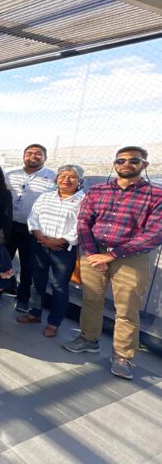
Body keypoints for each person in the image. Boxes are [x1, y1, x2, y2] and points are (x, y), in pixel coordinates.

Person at [63, 146, 162, 380]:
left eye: (134, 160)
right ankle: (88, 339)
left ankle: (123, 356)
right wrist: (91, 253)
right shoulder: (98, 190)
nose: (126, 164)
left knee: (127, 308)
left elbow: (155, 233)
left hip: (131, 258)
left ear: (144, 165)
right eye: (121, 160)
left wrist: (112, 255)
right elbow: (84, 222)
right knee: (91, 300)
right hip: (94, 252)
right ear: (114, 164)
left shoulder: (156, 195)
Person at [17, 165, 85, 338]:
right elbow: (33, 218)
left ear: (79, 181)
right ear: (56, 179)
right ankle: (34, 313)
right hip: (40, 244)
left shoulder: (84, 200)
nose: (66, 180)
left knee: (59, 286)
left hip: (63, 249)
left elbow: (81, 226)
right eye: (62, 176)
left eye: (72, 177)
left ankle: (54, 323)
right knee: (37, 280)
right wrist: (41, 238)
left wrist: (58, 241)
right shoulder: (45, 196)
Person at [5, 144, 57, 313]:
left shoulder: (53, 177)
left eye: (38, 154)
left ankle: (23, 298)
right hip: (9, 225)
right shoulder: (10, 174)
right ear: (23, 156)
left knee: (28, 265)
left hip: (33, 229)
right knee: (2, 259)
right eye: (29, 153)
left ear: (45, 158)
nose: (33, 156)